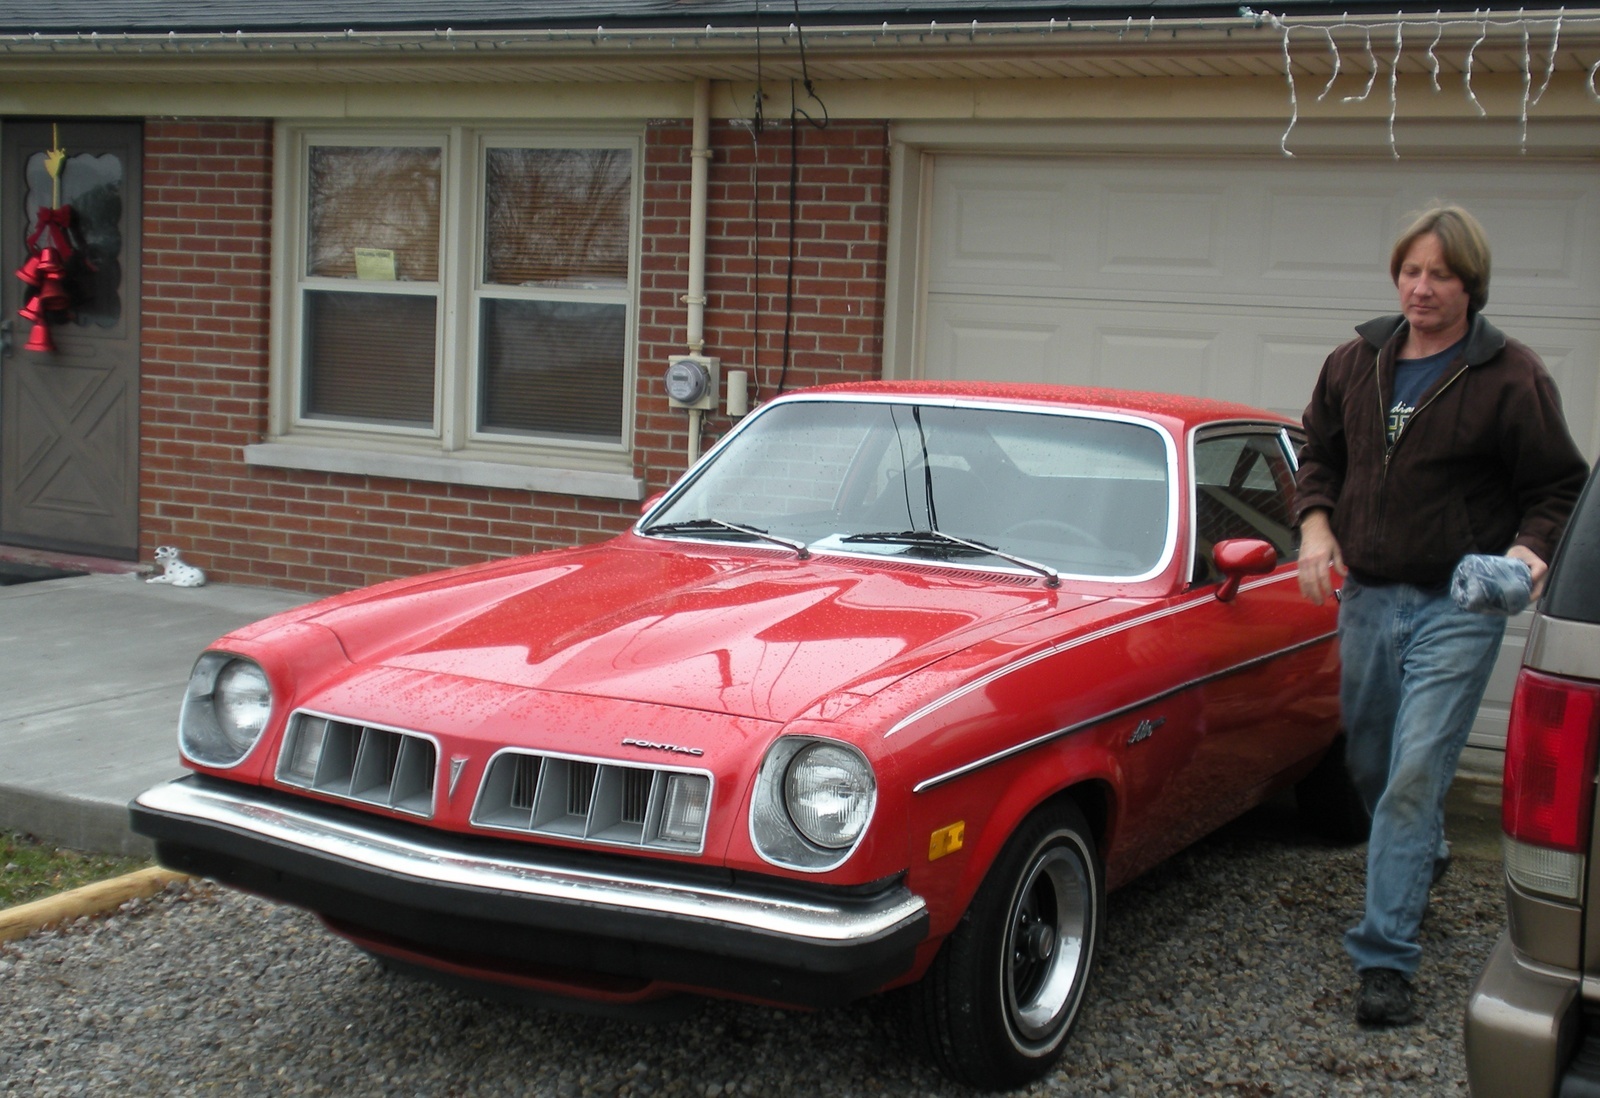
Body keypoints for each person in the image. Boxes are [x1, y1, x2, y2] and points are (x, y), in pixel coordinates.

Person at [1294, 205, 1589, 1026]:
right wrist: (1317, 525)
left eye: (1440, 275)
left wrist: (1525, 560)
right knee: (1375, 767)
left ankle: (1385, 960)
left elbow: (1559, 487)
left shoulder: (1511, 376)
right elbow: (1317, 452)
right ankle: (1424, 853)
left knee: (1415, 775)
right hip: (1368, 595)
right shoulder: (1356, 361)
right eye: (1411, 271)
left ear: (1470, 285)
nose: (1421, 288)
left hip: (1455, 607)